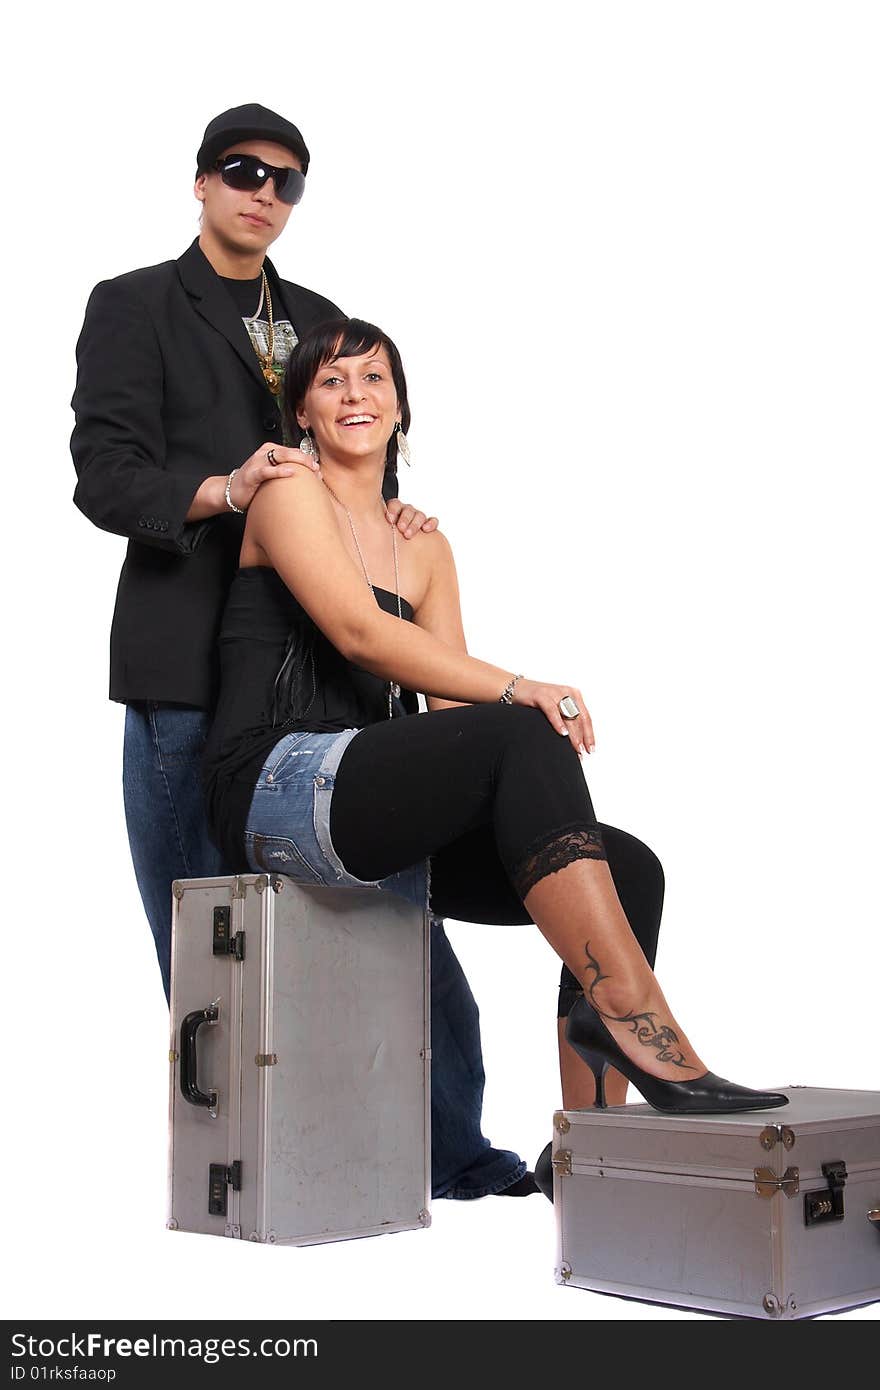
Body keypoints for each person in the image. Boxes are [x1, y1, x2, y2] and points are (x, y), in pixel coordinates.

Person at [71, 103, 547, 1200]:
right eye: (241, 172)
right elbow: (104, 472)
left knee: (396, 923)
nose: (262, 193)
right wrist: (221, 490)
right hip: (189, 671)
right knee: (215, 938)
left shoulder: (323, 319)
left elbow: (356, 456)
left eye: (286, 180)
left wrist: (403, 525)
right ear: (199, 182)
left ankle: (453, 1151)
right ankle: (249, 1161)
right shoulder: (135, 305)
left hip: (332, 692)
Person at [202, 316, 788, 1139]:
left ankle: (592, 1144)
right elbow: (360, 634)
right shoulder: (288, 494)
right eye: (331, 382)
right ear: (303, 413)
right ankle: (642, 1025)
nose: (355, 395)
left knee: (631, 869)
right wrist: (525, 689)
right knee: (521, 727)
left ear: (402, 408)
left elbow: (449, 719)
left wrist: (511, 722)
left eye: (373, 379)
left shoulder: (427, 552)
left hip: (364, 799)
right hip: (276, 783)